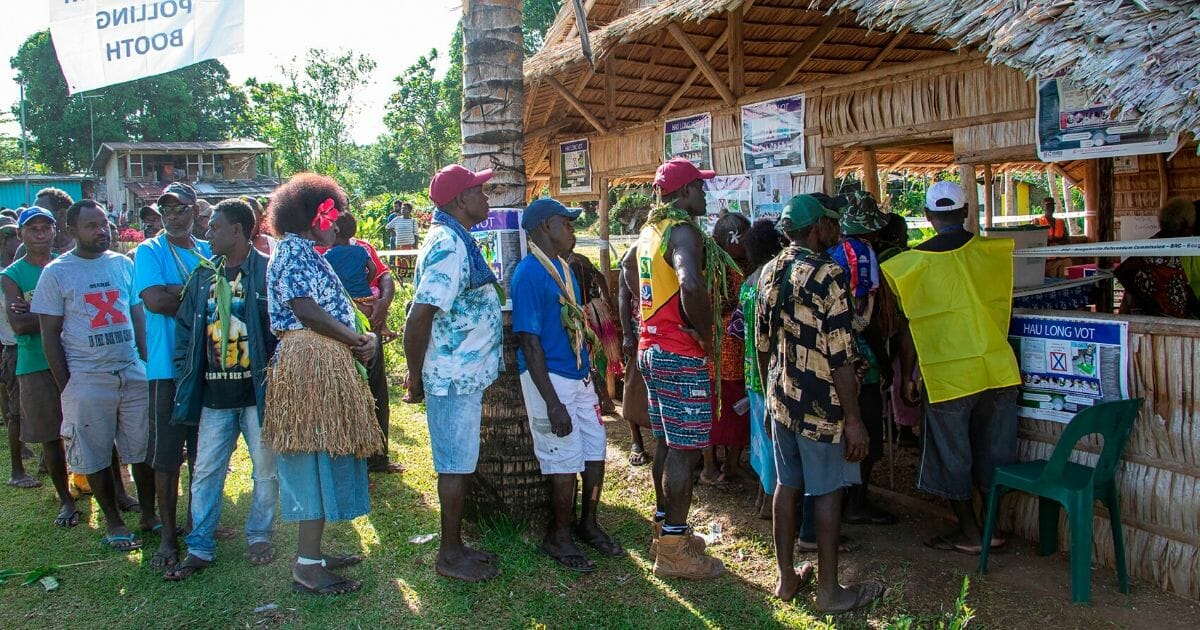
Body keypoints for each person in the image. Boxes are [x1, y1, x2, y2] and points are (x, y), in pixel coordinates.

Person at [756, 194, 881, 612]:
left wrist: (772, 395)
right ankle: (829, 591)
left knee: (786, 487)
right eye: (831, 222)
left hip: (782, 400)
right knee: (827, 493)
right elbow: (841, 356)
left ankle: (786, 578)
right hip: (820, 406)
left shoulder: (769, 272)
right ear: (816, 229)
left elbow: (762, 346)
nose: (835, 228)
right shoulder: (829, 275)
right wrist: (854, 419)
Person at [882, 181, 1022, 555]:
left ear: (928, 217)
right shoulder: (994, 253)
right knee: (992, 454)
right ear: (966, 213)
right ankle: (992, 528)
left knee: (952, 455)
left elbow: (911, 328)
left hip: (948, 376)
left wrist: (910, 376)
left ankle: (970, 532)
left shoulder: (909, 266)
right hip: (998, 370)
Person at [262, 173, 384, 596]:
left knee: (321, 457)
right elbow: (305, 309)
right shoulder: (294, 252)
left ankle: (312, 552)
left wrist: (358, 339)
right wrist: (354, 339)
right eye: (333, 217)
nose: (337, 224)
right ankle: (307, 565)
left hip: (319, 361)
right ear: (314, 217)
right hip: (308, 364)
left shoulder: (303, 251)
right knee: (313, 460)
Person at [626, 157, 734, 580]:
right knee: (685, 450)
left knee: (668, 443)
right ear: (685, 192)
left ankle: (665, 528)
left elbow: (629, 273)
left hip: (653, 347)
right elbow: (690, 284)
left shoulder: (650, 230)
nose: (705, 194)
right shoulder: (682, 230)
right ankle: (673, 549)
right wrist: (705, 334)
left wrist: (652, 317)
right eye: (700, 188)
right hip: (677, 351)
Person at [163, 199, 279, 581]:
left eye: (214, 227)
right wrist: (186, 370)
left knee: (265, 471)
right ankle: (200, 545)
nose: (206, 234)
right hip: (213, 397)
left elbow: (280, 333)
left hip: (256, 395)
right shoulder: (202, 277)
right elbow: (185, 332)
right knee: (207, 471)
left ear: (239, 230)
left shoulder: (265, 273)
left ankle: (260, 534)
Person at [32, 199, 154, 552]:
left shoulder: (123, 264)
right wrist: (67, 384)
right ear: (72, 230)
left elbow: (137, 316)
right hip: (86, 376)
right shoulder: (56, 272)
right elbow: (49, 334)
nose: (102, 230)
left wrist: (145, 364)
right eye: (92, 225)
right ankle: (114, 523)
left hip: (131, 370)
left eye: (105, 223)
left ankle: (149, 514)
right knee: (94, 452)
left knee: (141, 448)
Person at [404, 164, 503, 583]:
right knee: (453, 465)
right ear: (461, 200)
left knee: (459, 462)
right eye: (479, 191)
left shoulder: (456, 238)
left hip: (461, 373)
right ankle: (447, 555)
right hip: (450, 376)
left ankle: (456, 545)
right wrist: (414, 377)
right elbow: (419, 315)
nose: (486, 198)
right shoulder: (448, 244)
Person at [513, 198, 622, 572]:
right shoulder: (528, 274)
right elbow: (528, 341)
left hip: (576, 375)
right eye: (567, 223)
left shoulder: (564, 267)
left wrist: (590, 371)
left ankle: (587, 524)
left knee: (595, 447)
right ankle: (557, 536)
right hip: (550, 380)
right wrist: (552, 403)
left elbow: (575, 326)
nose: (573, 230)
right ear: (545, 227)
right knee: (563, 459)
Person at [133, 182, 213, 568]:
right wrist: (195, 293)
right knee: (167, 455)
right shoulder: (148, 251)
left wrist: (180, 292)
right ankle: (168, 536)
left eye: (179, 208)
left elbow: (223, 296)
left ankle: (198, 524)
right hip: (167, 368)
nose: (171, 215)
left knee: (204, 452)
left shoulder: (208, 251)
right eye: (165, 209)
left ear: (195, 211)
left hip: (207, 365)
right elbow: (155, 300)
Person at [3, 209, 80, 524]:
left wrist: (40, 311)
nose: (40, 234)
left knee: (94, 426)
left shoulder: (67, 265)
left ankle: (117, 491)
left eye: (45, 227)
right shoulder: (12, 276)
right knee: (51, 435)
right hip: (34, 362)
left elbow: (81, 309)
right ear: (20, 235)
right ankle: (66, 500)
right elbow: (19, 325)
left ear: (55, 231)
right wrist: (59, 312)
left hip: (75, 355)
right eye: (32, 229)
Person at [828, 194, 898, 526]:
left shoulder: (829, 253)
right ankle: (856, 502)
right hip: (859, 362)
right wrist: (885, 362)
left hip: (827, 359)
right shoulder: (862, 258)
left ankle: (838, 499)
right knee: (865, 431)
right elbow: (863, 321)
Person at [314, 217, 402, 474]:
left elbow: (384, 276)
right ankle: (345, 457)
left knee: (376, 390)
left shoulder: (362, 246)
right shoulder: (316, 249)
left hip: (368, 329)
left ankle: (377, 457)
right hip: (336, 332)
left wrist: (382, 304)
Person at [727, 219, 786, 520]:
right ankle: (770, 502)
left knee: (761, 440)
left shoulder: (748, 282)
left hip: (751, 372)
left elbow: (735, 329)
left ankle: (762, 499)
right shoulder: (773, 279)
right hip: (773, 372)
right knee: (776, 441)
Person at [703, 213, 751, 487]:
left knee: (738, 411)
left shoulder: (748, 266)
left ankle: (732, 465)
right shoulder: (708, 266)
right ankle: (709, 467)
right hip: (713, 352)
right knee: (710, 411)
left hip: (740, 354)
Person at [1114, 197, 1199, 318]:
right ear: (1185, 224)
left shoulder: (1175, 248)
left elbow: (1181, 285)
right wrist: (1148, 303)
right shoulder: (1157, 245)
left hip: (1169, 320)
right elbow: (1123, 272)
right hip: (1150, 320)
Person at [1, 218, 37, 490]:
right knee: (16, 412)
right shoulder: (10, 276)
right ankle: (16, 470)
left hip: (44, 345)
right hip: (15, 348)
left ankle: (48, 462)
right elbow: (18, 322)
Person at [324, 214, 396, 344]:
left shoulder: (328, 255)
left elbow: (384, 275)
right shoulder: (361, 250)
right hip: (365, 298)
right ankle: (384, 327)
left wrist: (385, 302)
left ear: (335, 230)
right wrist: (365, 282)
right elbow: (373, 269)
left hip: (343, 302)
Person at [617, 246, 652, 466]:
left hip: (662, 333)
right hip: (639, 333)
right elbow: (623, 297)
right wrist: (628, 334)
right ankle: (636, 440)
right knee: (633, 385)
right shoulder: (630, 261)